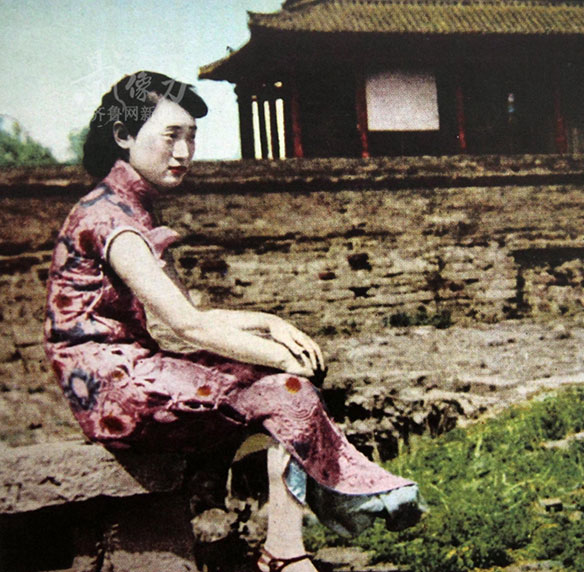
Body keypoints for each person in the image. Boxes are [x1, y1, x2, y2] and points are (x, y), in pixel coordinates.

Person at [44, 71, 422, 572]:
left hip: (123, 371)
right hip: (109, 385)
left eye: (191, 137)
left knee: (274, 383)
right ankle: (286, 551)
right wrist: (282, 359)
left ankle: (276, 535)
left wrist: (269, 324)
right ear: (123, 135)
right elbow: (185, 326)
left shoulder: (129, 208)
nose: (184, 153)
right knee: (287, 389)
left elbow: (188, 315)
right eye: (171, 136)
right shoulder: (112, 219)